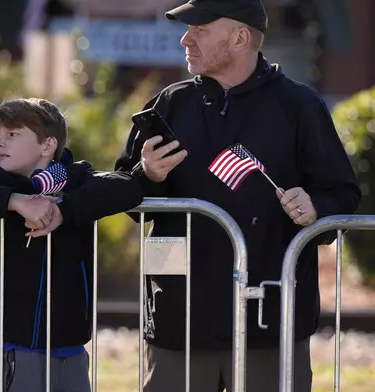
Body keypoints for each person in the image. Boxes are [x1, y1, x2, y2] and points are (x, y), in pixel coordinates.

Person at [114, 1, 361, 391]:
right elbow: (126, 192)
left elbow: (344, 194)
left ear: (240, 38)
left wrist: (317, 207)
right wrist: (148, 176)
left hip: (270, 322)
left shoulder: (300, 106)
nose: (185, 38)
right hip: (181, 322)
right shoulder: (169, 105)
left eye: (200, 29)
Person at [0, 98, 144, 392]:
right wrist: (15, 201)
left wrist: (63, 211)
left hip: (69, 342)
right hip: (10, 338)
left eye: (13, 134)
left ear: (47, 146)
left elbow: (129, 186)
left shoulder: (77, 178)